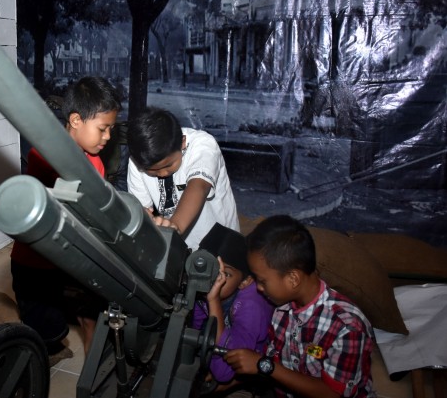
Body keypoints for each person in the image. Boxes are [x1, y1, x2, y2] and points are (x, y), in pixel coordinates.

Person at [10, 76, 121, 360]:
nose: (108, 137)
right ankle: (45, 351)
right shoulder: (43, 155)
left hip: (74, 253)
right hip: (37, 258)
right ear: (75, 120)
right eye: (103, 129)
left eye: (111, 129)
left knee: (94, 299)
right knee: (42, 324)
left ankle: (93, 346)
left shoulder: (95, 161)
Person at [224, 215, 377, 398]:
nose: (258, 287)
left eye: (262, 280)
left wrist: (265, 366)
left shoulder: (347, 328)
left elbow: (333, 394)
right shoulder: (280, 308)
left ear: (293, 279)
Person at [126, 107, 239, 250]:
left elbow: (199, 187)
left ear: (182, 143)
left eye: (168, 165)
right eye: (152, 170)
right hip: (178, 245)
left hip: (221, 244)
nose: (161, 173)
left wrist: (175, 227)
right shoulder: (137, 163)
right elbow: (142, 209)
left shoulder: (203, 145)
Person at [192, 223, 274, 397]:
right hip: (224, 342)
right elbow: (198, 331)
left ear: (245, 281)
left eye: (225, 274)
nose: (214, 279)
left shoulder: (252, 304)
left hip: (259, 360)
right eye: (210, 268)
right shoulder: (201, 287)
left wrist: (213, 300)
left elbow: (223, 372)